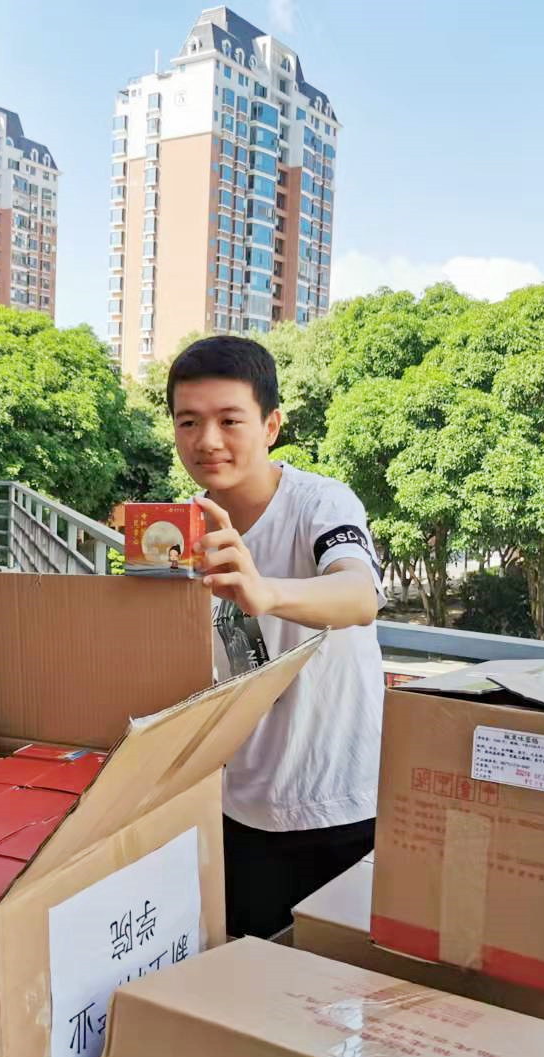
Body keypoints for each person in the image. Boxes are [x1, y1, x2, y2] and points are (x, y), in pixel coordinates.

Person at [165, 335, 385, 940]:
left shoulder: (322, 502)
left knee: (337, 995)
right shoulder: (181, 527)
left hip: (341, 801)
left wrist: (266, 591)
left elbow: (359, 595)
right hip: (237, 804)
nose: (207, 440)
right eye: (189, 421)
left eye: (229, 420)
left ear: (271, 425)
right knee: (247, 977)